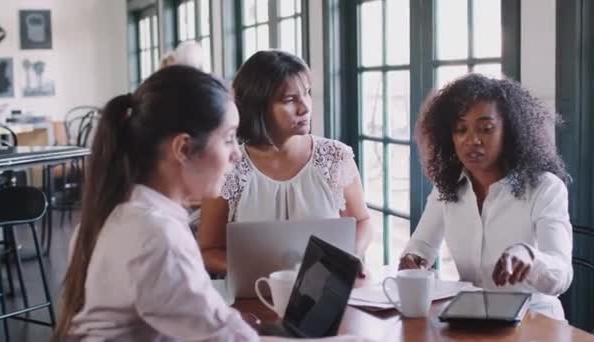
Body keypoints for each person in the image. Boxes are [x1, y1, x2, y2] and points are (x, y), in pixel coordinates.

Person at [53, 65, 366, 341]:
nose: (237, 154)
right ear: (183, 149)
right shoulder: (155, 235)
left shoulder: (129, 213)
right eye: (229, 138)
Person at [399, 73, 573, 320]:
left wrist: (530, 258)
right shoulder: (447, 187)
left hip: (534, 322)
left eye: (486, 128)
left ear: (509, 131)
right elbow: (422, 245)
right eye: (461, 129)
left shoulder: (545, 188)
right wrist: (413, 259)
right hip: (471, 319)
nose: (472, 140)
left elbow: (561, 275)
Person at [199, 50, 372, 276]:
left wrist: (351, 257)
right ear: (257, 106)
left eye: (307, 93)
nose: (305, 107)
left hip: (324, 296)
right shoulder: (229, 168)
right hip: (254, 298)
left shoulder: (335, 157)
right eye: (290, 99)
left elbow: (362, 221)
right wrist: (261, 272)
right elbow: (208, 250)